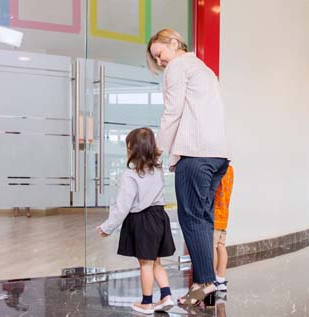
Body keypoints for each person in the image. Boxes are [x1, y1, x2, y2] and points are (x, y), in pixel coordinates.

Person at [146, 28, 229, 307]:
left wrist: (157, 150)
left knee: (192, 219)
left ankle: (205, 282)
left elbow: (173, 111)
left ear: (173, 42)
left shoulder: (178, 67)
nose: (159, 62)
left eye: (160, 54)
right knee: (204, 219)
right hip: (219, 156)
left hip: (195, 155)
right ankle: (202, 283)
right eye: (155, 59)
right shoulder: (204, 69)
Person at [97, 127, 176, 315]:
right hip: (159, 217)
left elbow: (123, 205)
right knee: (156, 261)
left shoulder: (130, 175)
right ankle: (166, 296)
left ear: (132, 149)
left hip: (142, 220)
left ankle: (146, 303)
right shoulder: (157, 170)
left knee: (145, 264)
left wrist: (108, 226)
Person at [213, 164, 234, 292]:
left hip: (214, 213)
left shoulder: (218, 170)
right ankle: (220, 279)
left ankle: (210, 279)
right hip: (224, 213)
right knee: (221, 245)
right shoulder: (231, 170)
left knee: (212, 247)